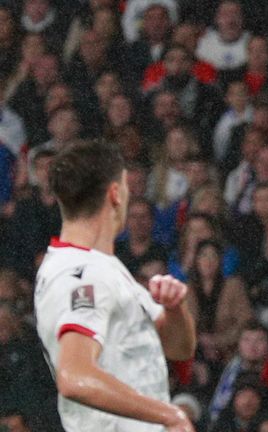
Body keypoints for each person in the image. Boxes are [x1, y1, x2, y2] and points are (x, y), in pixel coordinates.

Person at [34, 140, 196, 431]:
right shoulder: (80, 276)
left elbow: (179, 349)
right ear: (115, 194)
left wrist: (175, 309)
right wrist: (169, 415)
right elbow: (73, 377)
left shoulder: (103, 267)